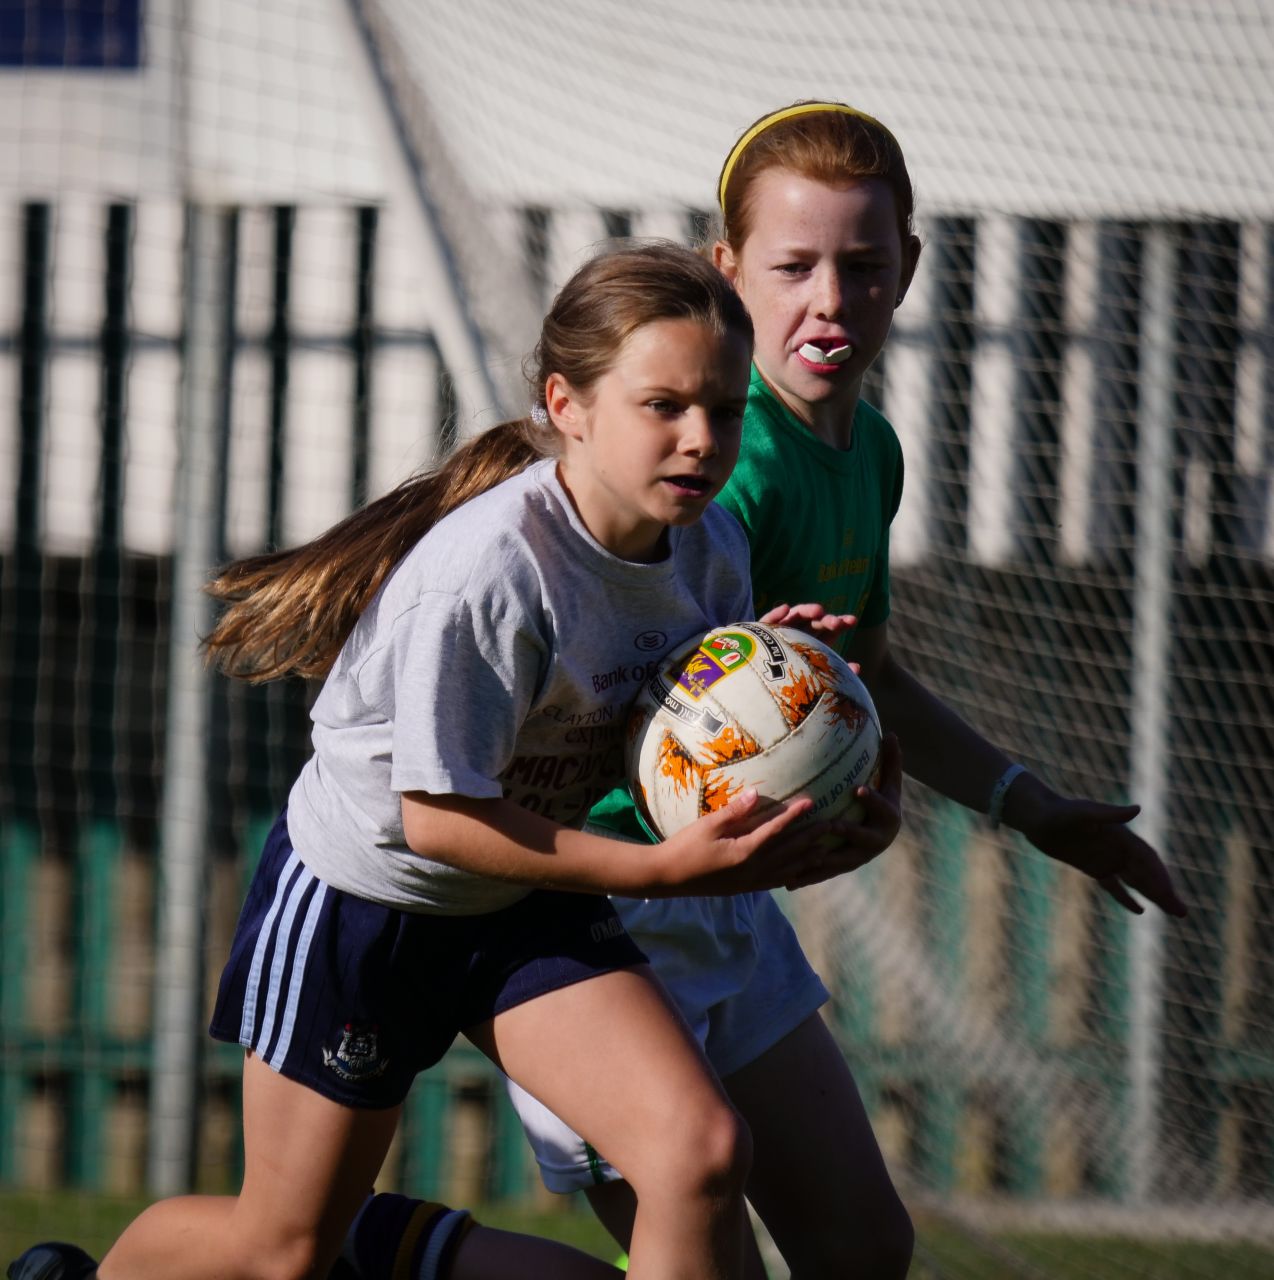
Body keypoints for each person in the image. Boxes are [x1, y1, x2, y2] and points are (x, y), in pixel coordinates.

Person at [7, 242, 884, 1280]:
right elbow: (433, 817)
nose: (701, 439)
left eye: (725, 409)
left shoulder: (709, 550)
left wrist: (770, 697)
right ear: (568, 402)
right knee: (282, 1249)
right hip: (370, 903)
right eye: (663, 405)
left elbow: (658, 728)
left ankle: (373, 1248)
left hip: (519, 896)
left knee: (698, 1152)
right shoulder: (488, 575)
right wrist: (652, 871)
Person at [500, 101, 1190, 1280]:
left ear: (907, 269)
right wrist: (734, 709)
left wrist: (1028, 802)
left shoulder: (866, 448)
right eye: (793, 266)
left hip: (726, 903)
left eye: (862, 266)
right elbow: (604, 690)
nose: (830, 298)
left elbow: (857, 668)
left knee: (862, 1244)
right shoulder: (715, 465)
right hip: (599, 913)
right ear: (726, 272)